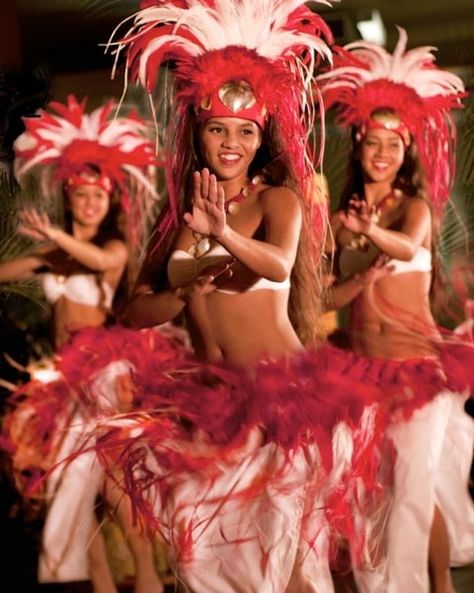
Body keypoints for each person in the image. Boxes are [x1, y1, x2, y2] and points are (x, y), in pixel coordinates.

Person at [71, 2, 392, 593]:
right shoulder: (178, 218)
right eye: (218, 127)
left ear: (261, 135)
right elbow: (136, 311)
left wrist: (220, 234)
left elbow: (277, 262)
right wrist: (181, 286)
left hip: (285, 404)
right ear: (197, 129)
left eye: (246, 131)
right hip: (211, 409)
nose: (231, 142)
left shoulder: (276, 201)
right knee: (200, 566)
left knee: (284, 567)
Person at [318, 28, 474, 593]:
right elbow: (329, 299)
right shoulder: (346, 216)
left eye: (395, 144)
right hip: (360, 371)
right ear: (358, 146)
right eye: (372, 143)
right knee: (366, 491)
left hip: (416, 373)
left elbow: (407, 248)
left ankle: (420, 585)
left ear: (407, 150)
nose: (383, 153)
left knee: (411, 489)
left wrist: (367, 235)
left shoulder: (414, 210)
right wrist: (350, 259)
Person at [0, 95, 165, 593]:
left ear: (111, 201)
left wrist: (54, 241)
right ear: (69, 197)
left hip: (105, 376)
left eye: (100, 196)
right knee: (77, 486)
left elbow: (101, 264)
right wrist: (46, 248)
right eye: (82, 194)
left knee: (114, 487)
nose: (91, 203)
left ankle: (149, 576)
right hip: (65, 379)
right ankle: (94, 582)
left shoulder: (110, 249)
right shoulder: (54, 253)